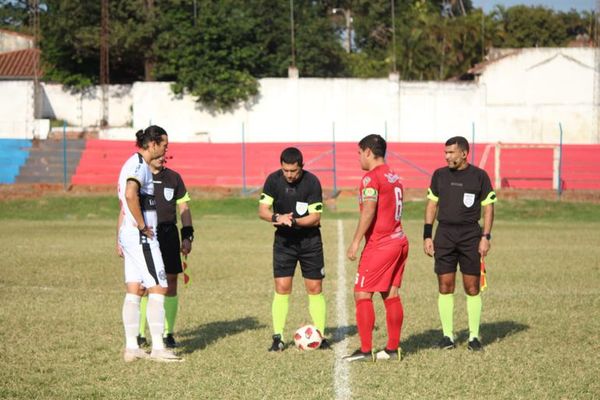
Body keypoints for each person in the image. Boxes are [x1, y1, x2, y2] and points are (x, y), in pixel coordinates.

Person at [423, 136, 497, 351]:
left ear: (464, 153)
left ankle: (474, 337)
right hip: (444, 234)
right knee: (445, 285)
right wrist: (428, 235)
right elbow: (431, 206)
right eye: (445, 152)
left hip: (470, 236)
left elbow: (489, 208)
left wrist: (486, 237)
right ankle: (448, 337)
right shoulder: (439, 175)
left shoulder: (480, 176)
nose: (447, 156)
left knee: (472, 287)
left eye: (451, 152)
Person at [116, 125, 181, 362]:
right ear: (152, 144)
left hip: (130, 235)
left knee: (134, 290)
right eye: (164, 145)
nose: (165, 150)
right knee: (158, 287)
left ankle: (132, 347)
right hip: (142, 237)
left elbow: (124, 202)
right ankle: (158, 348)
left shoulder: (133, 163)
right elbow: (131, 195)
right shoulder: (139, 166)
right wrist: (143, 225)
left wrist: (121, 236)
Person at [344, 134, 409, 362]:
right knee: (390, 293)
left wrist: (355, 241)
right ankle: (392, 349)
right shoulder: (394, 176)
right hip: (399, 239)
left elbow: (369, 211)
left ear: (369, 152)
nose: (359, 158)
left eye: (359, 153)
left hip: (381, 244)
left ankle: (364, 350)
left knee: (362, 293)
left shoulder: (371, 178)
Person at [119, 155, 194, 349]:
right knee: (143, 286)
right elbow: (125, 208)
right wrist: (119, 238)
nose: (162, 158)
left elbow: (184, 207)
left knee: (169, 283)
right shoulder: (140, 175)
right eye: (159, 154)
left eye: (165, 155)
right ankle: (141, 334)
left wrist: (188, 234)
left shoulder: (174, 178)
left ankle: (168, 333)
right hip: (146, 234)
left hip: (168, 233)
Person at [258, 147, 329, 352]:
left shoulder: (312, 182)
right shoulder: (273, 180)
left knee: (315, 288)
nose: (289, 175)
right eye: (286, 170)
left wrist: (293, 221)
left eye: (293, 171)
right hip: (284, 243)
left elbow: (315, 218)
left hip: (310, 243)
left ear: (301, 167)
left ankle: (321, 336)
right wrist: (277, 218)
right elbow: (262, 210)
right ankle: (278, 337)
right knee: (282, 287)